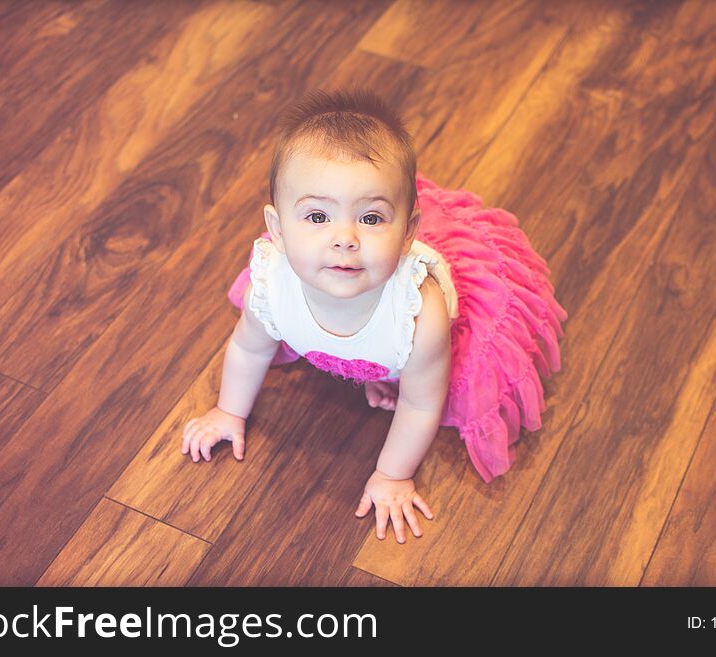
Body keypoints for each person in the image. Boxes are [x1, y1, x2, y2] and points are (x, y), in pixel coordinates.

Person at [181, 87, 568, 545]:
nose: (345, 237)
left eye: (370, 219)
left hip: (405, 342)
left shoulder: (420, 315)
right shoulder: (272, 286)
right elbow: (247, 348)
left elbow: (421, 403)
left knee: (455, 378)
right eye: (317, 216)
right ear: (277, 230)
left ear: (407, 234)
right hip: (358, 332)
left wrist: (391, 475)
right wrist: (228, 411)